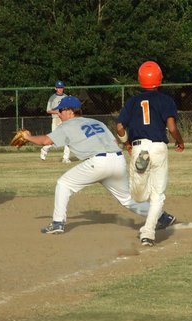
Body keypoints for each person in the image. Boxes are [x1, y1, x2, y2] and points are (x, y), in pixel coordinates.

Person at [21, 95, 175, 245]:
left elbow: (45, 141)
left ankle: (57, 223)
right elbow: (115, 141)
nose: (59, 115)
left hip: (98, 162)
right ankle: (162, 217)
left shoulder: (67, 125)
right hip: (117, 160)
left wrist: (28, 138)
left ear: (69, 111)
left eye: (60, 111)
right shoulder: (97, 122)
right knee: (127, 199)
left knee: (64, 183)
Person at [116, 60, 185, 246]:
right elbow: (171, 127)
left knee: (138, 196)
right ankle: (148, 233)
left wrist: (126, 143)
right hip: (158, 147)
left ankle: (148, 229)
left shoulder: (132, 101)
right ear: (160, 79)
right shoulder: (166, 100)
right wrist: (180, 141)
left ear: (140, 80)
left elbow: (120, 127)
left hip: (139, 147)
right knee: (158, 196)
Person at [40, 80, 71, 163]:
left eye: (61, 87)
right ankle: (44, 149)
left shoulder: (66, 97)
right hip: (56, 119)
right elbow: (48, 110)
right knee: (54, 140)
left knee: (68, 139)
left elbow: (69, 108)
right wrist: (57, 112)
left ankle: (65, 158)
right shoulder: (52, 98)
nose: (60, 89)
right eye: (58, 88)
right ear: (55, 88)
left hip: (64, 119)